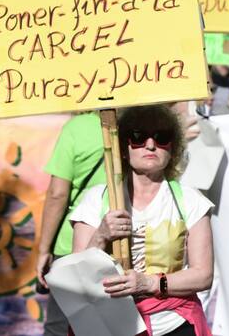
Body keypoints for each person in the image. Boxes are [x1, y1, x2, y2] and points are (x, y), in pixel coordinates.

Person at [70, 105, 214, 336]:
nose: (150, 144)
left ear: (172, 148)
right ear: (124, 149)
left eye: (161, 137)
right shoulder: (97, 199)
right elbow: (76, 275)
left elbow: (203, 274)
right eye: (138, 137)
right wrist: (101, 236)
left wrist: (148, 283)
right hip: (109, 325)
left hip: (174, 323)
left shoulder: (190, 200)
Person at [37, 112, 106, 336]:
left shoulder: (77, 127)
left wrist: (43, 250)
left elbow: (58, 194)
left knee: (59, 325)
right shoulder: (136, 123)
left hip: (73, 243)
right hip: (126, 237)